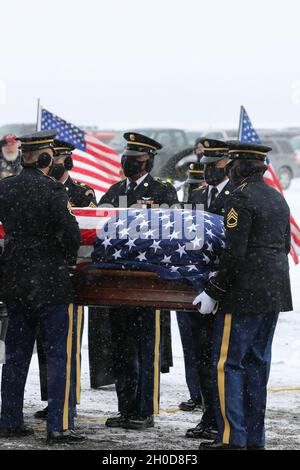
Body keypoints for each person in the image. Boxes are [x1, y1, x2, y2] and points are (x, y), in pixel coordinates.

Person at [194, 141, 293, 450]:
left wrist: (214, 290)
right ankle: (253, 439)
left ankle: (231, 438)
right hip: (272, 294)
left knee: (228, 365)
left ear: (237, 168)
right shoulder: (277, 198)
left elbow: (235, 254)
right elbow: (285, 247)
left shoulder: (240, 198)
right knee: (256, 365)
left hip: (243, 295)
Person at [0, 130, 84, 445]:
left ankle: (9, 419)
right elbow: (72, 235)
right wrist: (62, 257)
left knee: (16, 355)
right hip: (51, 282)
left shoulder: (5, 188)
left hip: (17, 281)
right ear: (47, 158)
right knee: (58, 355)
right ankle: (59, 425)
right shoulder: (53, 191)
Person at [99, 132, 179, 430]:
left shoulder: (162, 192)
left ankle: (144, 410)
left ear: (148, 161)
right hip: (118, 282)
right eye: (126, 157)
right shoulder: (115, 190)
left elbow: (170, 232)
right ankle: (125, 407)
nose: (127, 162)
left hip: (148, 285)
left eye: (135, 159)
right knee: (121, 350)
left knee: (146, 350)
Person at [34, 139, 97, 421]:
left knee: (67, 344)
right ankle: (52, 399)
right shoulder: (41, 190)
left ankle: (67, 400)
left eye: (58, 158)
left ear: (67, 161)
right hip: (41, 275)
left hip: (69, 277)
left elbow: (87, 239)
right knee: (45, 345)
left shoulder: (82, 193)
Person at [185, 138, 236, 439]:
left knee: (219, 358)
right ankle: (208, 414)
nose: (206, 171)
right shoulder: (196, 195)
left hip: (223, 287)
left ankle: (221, 417)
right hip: (197, 285)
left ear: (225, 166)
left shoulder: (234, 196)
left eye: (212, 166)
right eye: (204, 165)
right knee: (202, 356)